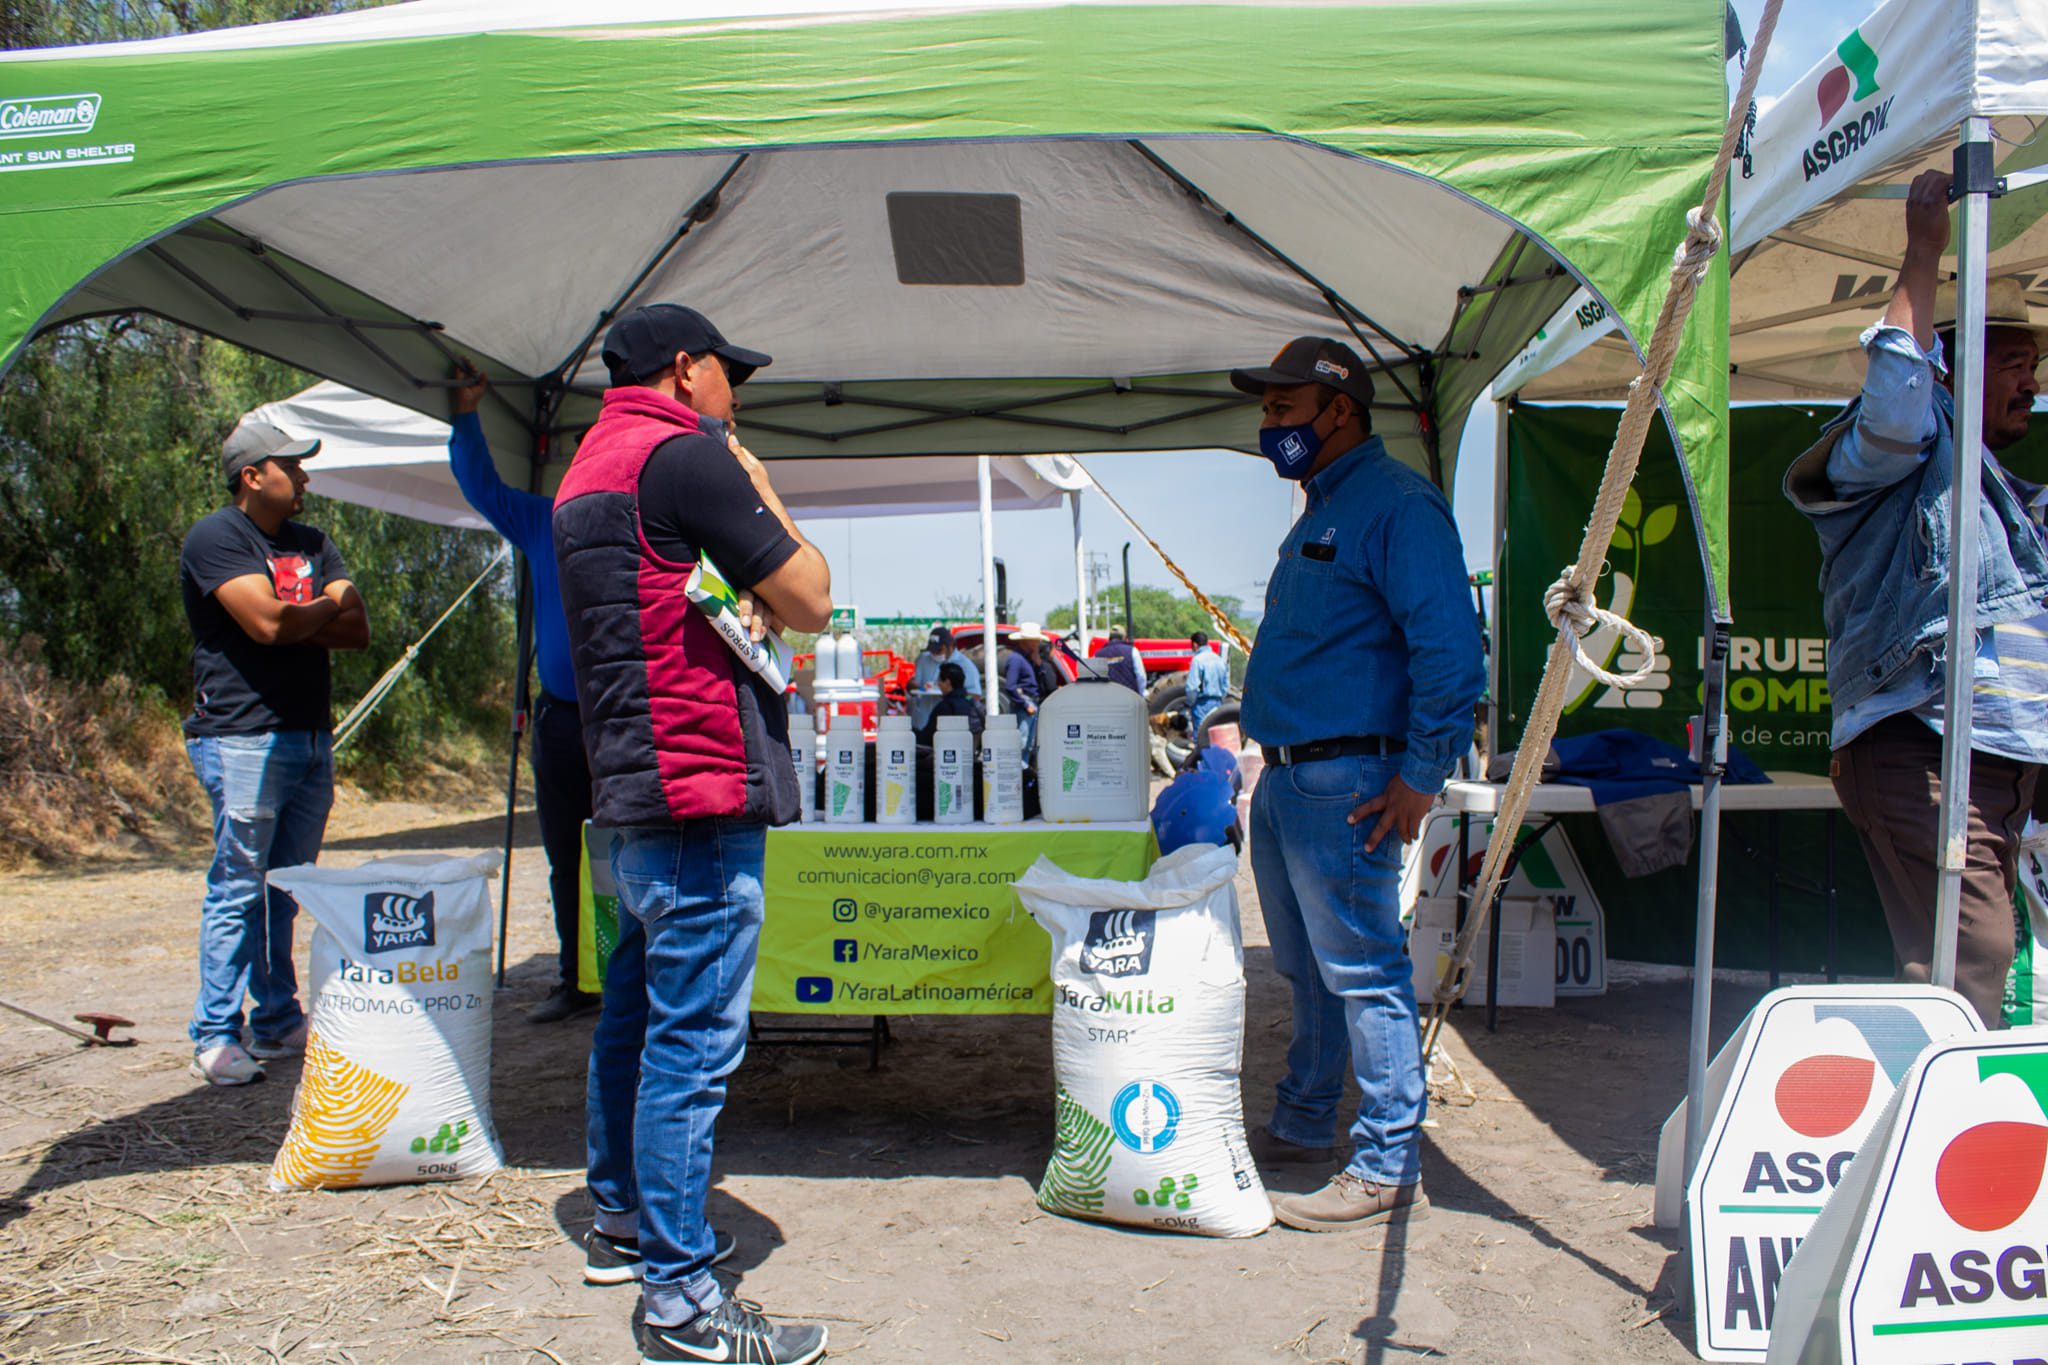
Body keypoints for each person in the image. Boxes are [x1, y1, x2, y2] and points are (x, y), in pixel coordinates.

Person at [554, 303, 833, 1363]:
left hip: (627, 791)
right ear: (685, 369)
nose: (737, 395)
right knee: (690, 1047)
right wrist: (755, 480)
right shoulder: (685, 459)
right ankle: (679, 1303)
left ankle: (622, 1219)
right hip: (699, 794)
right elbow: (807, 596)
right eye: (731, 375)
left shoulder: (588, 465)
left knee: (632, 1015)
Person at [1230, 335, 1484, 1230]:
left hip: (1350, 780)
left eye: (1284, 408)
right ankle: (1305, 1120)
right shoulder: (1321, 507)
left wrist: (1421, 775)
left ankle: (1385, 1160)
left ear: (1341, 410)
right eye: (1266, 410)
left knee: (1363, 969)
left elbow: (1453, 655)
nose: (1270, 425)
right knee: (1308, 970)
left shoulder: (1398, 505)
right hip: (1291, 778)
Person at [1785, 169, 2048, 1029]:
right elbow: (1898, 399)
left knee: (1969, 959)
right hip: (1925, 746)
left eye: (2036, 369)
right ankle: (1933, 1143)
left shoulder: (2006, 494)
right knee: (1969, 959)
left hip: (2005, 760)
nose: (2034, 387)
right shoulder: (1890, 452)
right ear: (1952, 365)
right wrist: (1925, 252)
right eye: (2015, 365)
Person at [179, 417, 369, 1086]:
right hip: (241, 735)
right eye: (293, 465)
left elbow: (358, 628)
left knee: (286, 887)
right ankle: (214, 1033)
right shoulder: (216, 539)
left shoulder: (311, 541)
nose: (306, 478)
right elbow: (265, 622)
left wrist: (303, 616)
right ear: (253, 474)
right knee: (237, 886)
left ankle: (279, 1017)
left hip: (309, 733)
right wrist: (324, 602)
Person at [447, 362, 596, 1024]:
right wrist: (466, 415)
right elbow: (482, 487)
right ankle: (576, 976)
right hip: (562, 724)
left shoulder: (646, 522)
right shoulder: (545, 521)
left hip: (625, 721)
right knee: (566, 857)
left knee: (627, 859)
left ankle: (619, 975)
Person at [1001, 622, 1048, 753]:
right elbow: (1010, 686)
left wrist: (1038, 664)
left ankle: (1024, 769)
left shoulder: (1025, 658)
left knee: (1028, 743)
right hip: (1026, 704)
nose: (1038, 642)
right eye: (1035, 640)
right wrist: (1025, 704)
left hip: (1029, 702)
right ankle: (1021, 770)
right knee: (1022, 742)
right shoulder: (1016, 659)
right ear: (1027, 641)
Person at [914, 661, 985, 747]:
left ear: (947, 683)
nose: (938, 684)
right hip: (971, 754)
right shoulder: (973, 703)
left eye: (939, 680)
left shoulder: (945, 707)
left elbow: (927, 739)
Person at [911, 624, 981, 699]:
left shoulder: (966, 666)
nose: (934, 653)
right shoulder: (923, 659)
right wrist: (911, 686)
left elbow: (975, 696)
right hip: (925, 710)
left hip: (949, 710)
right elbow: (915, 684)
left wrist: (958, 697)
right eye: (932, 650)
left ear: (950, 646)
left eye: (939, 650)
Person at [1186, 629, 1228, 736]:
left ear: (1195, 645)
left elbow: (1192, 687)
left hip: (1201, 704)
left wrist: (1189, 703)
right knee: (1215, 736)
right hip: (1217, 703)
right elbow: (1225, 686)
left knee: (1201, 736)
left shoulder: (1197, 660)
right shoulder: (1219, 660)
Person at [1090, 623, 1147, 694]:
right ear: (1124, 637)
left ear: (1110, 638)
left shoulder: (1097, 655)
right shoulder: (1132, 651)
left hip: (1107, 698)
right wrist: (1140, 694)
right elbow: (1141, 677)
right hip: (1129, 697)